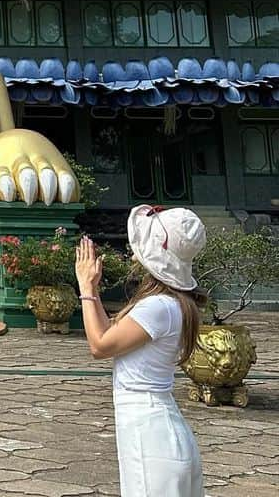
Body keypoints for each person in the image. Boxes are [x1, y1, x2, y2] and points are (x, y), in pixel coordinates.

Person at [75, 205, 209, 497]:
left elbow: (99, 346)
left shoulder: (158, 307)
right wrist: (93, 292)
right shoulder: (167, 304)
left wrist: (85, 287)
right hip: (155, 429)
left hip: (152, 435)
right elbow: (109, 335)